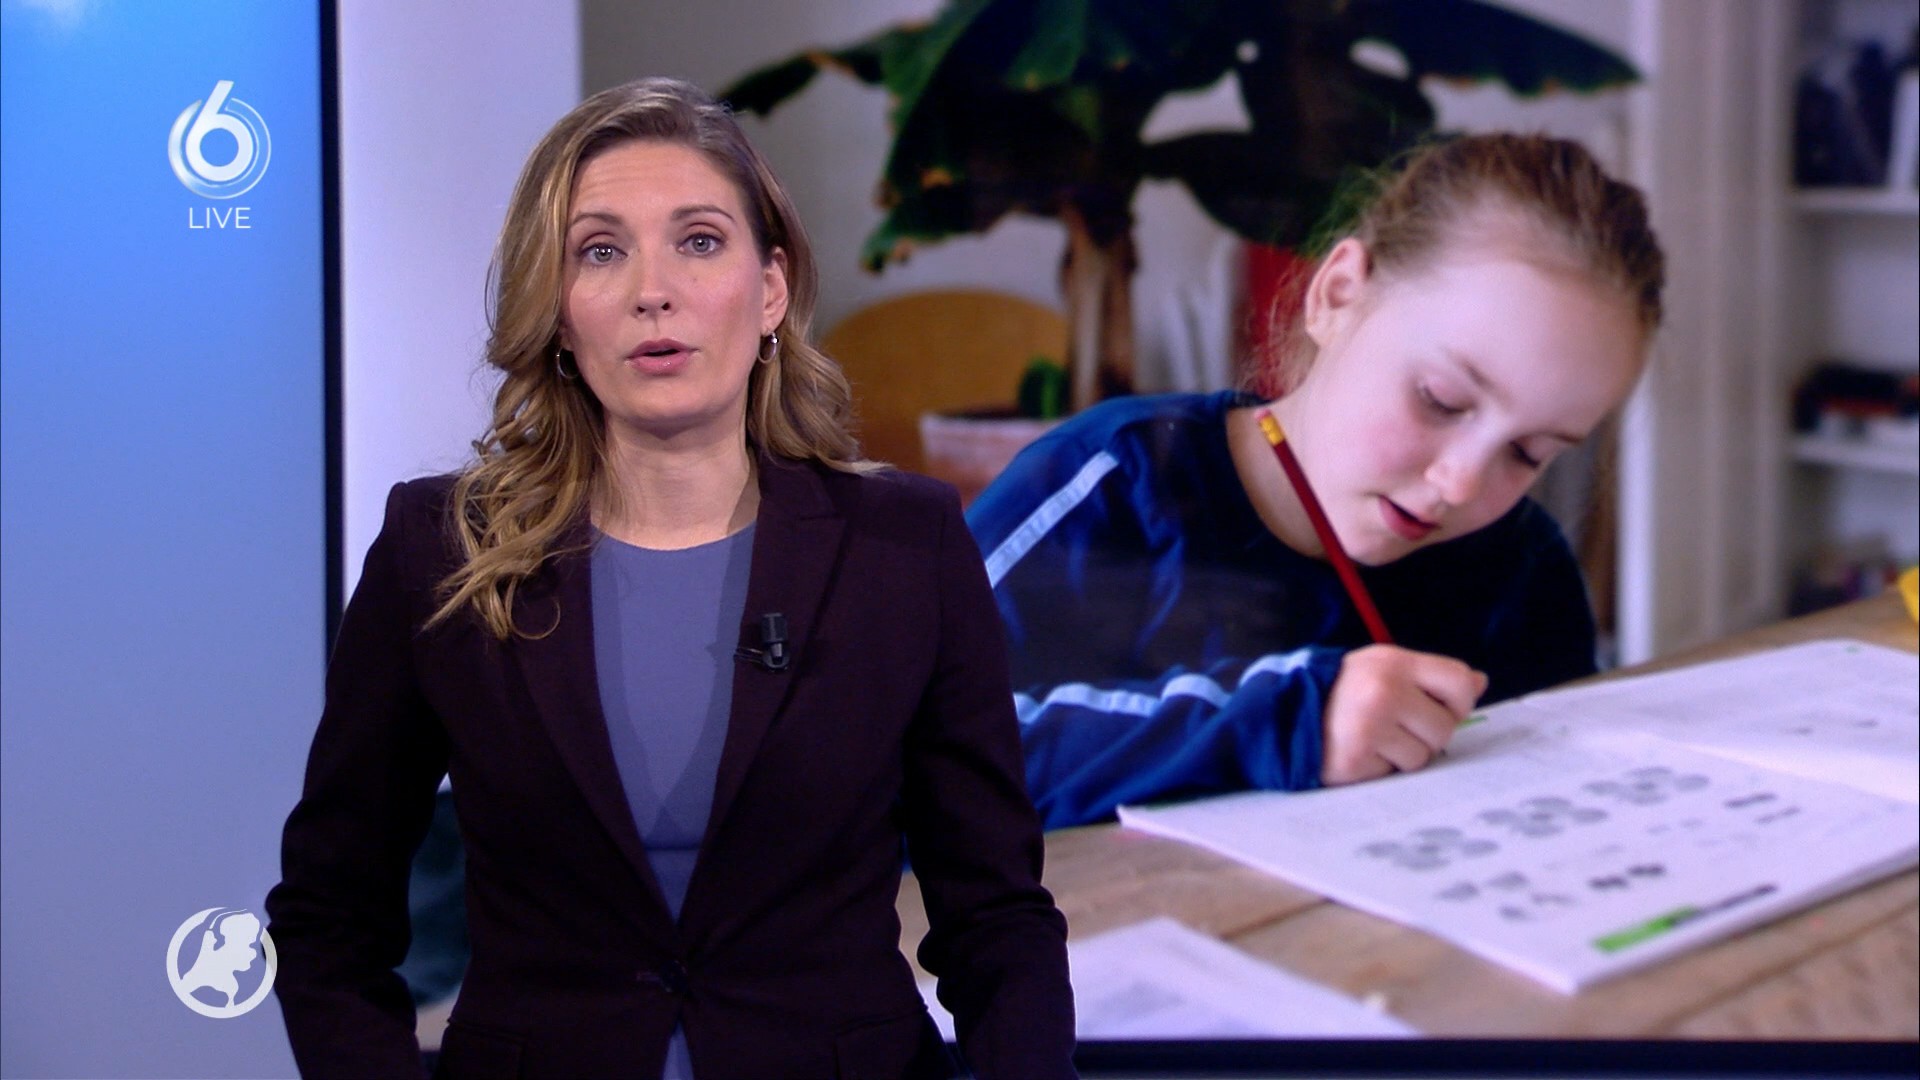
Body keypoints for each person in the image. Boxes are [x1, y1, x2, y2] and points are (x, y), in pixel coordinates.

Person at [265, 78, 1074, 1079]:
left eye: (698, 241)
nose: (654, 290)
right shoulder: (439, 549)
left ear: (770, 289)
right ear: (558, 312)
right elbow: (327, 916)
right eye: (600, 251)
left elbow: (996, 919)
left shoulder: (905, 549)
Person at [968, 133, 1665, 831]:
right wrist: (1285, 724)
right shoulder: (1117, 485)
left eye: (1527, 452)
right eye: (1441, 399)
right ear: (1337, 295)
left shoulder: (1523, 569)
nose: (1459, 484)